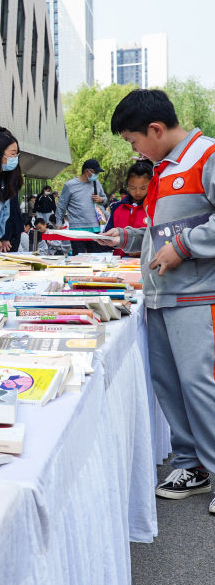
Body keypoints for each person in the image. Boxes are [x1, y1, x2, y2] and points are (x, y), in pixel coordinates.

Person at [100, 89, 215, 510]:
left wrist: (185, 247)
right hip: (161, 296)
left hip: (198, 296)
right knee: (170, 386)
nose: (136, 151)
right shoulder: (165, 169)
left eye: (134, 142)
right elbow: (161, 232)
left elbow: (183, 237)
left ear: (155, 129)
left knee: (201, 385)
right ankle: (192, 464)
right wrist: (128, 238)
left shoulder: (206, 156)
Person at [103, 160, 152, 258]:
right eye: (133, 188)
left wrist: (140, 248)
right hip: (120, 262)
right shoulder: (117, 207)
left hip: (147, 262)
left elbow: (161, 238)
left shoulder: (155, 207)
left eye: (143, 188)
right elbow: (107, 234)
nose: (138, 192)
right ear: (127, 184)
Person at [58, 159, 108, 253]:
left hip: (95, 228)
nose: (96, 175)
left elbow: (105, 200)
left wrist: (101, 199)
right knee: (78, 258)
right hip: (77, 229)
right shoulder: (70, 185)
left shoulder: (96, 183)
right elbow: (61, 206)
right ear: (86, 171)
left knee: (96, 257)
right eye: (95, 172)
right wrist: (58, 223)